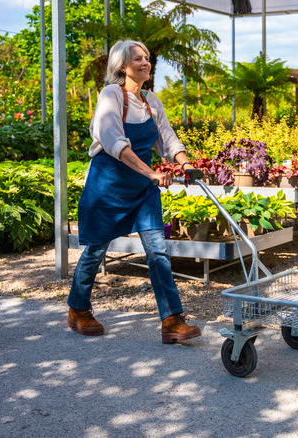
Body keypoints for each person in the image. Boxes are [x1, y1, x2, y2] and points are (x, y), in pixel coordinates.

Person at [67, 39, 201, 344]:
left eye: (147, 59)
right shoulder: (111, 95)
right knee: (96, 250)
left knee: (158, 251)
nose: (145, 63)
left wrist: (185, 163)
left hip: (142, 189)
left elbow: (167, 137)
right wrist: (152, 172)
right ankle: (77, 308)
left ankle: (172, 320)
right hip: (109, 184)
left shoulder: (152, 101)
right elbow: (114, 142)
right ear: (122, 66)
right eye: (138, 59)